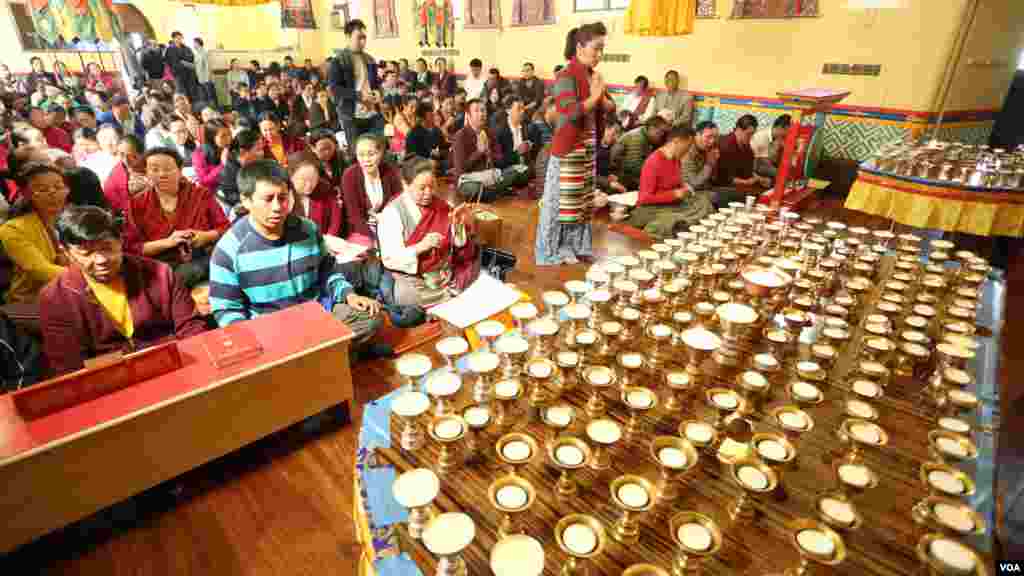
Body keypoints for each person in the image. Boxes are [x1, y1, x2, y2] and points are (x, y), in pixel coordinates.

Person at [209, 160, 384, 345]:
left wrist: (349, 295)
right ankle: (323, 354)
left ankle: (318, 354)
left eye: (282, 198)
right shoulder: (228, 250)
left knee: (370, 318)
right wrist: (250, 341)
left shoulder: (308, 229)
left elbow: (328, 271)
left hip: (317, 314)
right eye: (268, 199)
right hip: (270, 331)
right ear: (246, 201)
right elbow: (226, 309)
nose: (277, 207)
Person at [39, 206, 207, 375]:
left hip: (173, 368)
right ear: (67, 253)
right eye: (86, 253)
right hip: (106, 381)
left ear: (120, 241)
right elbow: (70, 368)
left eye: (107, 248)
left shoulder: (161, 274)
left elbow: (192, 330)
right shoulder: (56, 298)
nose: (101, 259)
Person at [535, 23, 615, 266]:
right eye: (596, 48)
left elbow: (609, 107)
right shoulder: (565, 76)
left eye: (603, 49)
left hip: (587, 148)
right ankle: (549, 251)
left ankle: (574, 246)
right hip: (568, 150)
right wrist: (595, 96)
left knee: (580, 202)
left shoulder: (593, 76)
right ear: (580, 47)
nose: (600, 55)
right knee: (557, 203)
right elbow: (569, 112)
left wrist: (602, 98)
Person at [378, 157, 481, 307]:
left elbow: (456, 246)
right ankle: (454, 295)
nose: (428, 193)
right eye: (422, 188)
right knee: (406, 296)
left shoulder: (441, 205)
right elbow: (389, 258)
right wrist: (421, 246)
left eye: (432, 186)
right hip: (414, 278)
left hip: (444, 272)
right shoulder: (392, 213)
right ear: (405, 185)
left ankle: (450, 295)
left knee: (476, 255)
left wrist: (458, 226)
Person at [126, 147, 229, 287]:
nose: (162, 174)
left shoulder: (200, 195)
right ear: (146, 173)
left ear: (180, 171)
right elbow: (131, 248)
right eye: (154, 169)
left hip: (200, 261)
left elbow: (225, 228)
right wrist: (168, 242)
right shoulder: (136, 204)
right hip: (158, 267)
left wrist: (205, 236)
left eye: (168, 168)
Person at [0, 163, 69, 304]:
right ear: (26, 194)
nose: (53, 193)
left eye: (58, 187)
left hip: (69, 293)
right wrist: (87, 277)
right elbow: (41, 270)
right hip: (32, 301)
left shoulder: (69, 219)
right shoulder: (13, 229)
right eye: (42, 189)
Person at [627, 126, 713, 238]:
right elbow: (644, 198)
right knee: (673, 220)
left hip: (672, 205)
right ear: (676, 142)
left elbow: (677, 182)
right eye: (686, 148)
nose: (687, 152)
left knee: (704, 202)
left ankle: (686, 223)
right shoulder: (654, 161)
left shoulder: (676, 159)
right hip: (651, 209)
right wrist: (674, 194)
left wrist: (684, 186)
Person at [328, 19, 382, 149]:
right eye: (359, 38)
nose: (363, 42)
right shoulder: (339, 60)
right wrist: (360, 96)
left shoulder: (370, 59)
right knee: (357, 151)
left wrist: (378, 92)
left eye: (364, 38)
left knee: (377, 149)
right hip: (351, 115)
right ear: (348, 37)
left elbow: (375, 84)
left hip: (372, 112)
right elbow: (335, 89)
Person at [342, 134, 402, 240]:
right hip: (362, 230)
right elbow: (354, 216)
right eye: (361, 155)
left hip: (388, 224)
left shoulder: (390, 171)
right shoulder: (349, 175)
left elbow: (398, 202)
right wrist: (372, 238)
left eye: (371, 154)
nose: (366, 159)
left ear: (380, 153)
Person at [712, 114, 770, 207]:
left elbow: (748, 171)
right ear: (738, 129)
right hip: (722, 186)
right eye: (748, 134)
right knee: (750, 195)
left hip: (739, 184)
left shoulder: (746, 147)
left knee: (765, 190)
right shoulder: (725, 144)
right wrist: (745, 182)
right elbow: (723, 177)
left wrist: (759, 179)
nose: (750, 137)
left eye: (752, 134)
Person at [289, 154, 344, 239]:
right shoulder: (282, 196)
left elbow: (335, 220)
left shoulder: (324, 188)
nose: (309, 185)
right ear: (291, 176)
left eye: (313, 179)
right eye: (303, 180)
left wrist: (329, 239)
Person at [216, 128, 265, 219]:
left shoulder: (258, 164)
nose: (262, 153)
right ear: (243, 152)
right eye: (258, 149)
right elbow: (230, 196)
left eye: (262, 149)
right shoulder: (229, 172)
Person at [611, 115, 669, 191]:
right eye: (660, 132)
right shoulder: (637, 138)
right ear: (652, 128)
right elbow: (633, 166)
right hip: (620, 177)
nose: (662, 135)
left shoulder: (646, 138)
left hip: (626, 176)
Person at [104, 134, 148, 215]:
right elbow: (116, 206)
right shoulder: (115, 177)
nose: (126, 160)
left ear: (142, 154)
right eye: (122, 155)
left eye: (132, 156)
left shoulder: (155, 164)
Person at [681, 120, 721, 197]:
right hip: (689, 192)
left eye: (715, 137)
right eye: (708, 137)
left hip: (705, 189)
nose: (712, 141)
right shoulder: (688, 150)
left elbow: (713, 179)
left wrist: (715, 163)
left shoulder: (708, 149)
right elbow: (693, 183)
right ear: (697, 135)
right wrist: (709, 164)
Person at [193, 119, 232, 191]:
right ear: (211, 137)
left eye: (229, 134)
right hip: (216, 190)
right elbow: (203, 181)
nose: (229, 139)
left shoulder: (231, 146)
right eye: (223, 136)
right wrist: (223, 164)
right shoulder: (199, 154)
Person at [495, 96, 532, 169]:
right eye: (519, 109)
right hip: (508, 172)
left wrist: (529, 147)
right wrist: (517, 153)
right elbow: (498, 162)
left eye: (523, 108)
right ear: (508, 111)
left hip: (526, 170)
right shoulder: (499, 132)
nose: (522, 112)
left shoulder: (526, 126)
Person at [751, 114, 791, 178]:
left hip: (765, 164)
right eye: (788, 131)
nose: (788, 135)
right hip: (756, 167)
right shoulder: (762, 137)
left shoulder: (777, 138)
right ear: (780, 127)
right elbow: (763, 162)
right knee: (783, 174)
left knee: (785, 172)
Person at [164, 31, 197, 101]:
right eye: (177, 38)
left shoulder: (186, 48)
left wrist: (183, 61)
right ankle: (185, 106)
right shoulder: (170, 49)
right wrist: (181, 63)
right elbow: (169, 62)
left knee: (191, 90)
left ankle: (193, 104)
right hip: (178, 74)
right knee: (182, 91)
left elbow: (191, 57)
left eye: (180, 38)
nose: (179, 39)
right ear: (173, 39)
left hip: (188, 73)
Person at [193, 37, 214, 104]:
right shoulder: (196, 54)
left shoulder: (205, 52)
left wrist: (208, 78)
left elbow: (208, 66)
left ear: (198, 43)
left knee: (210, 96)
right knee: (204, 96)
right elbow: (196, 66)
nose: (193, 45)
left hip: (206, 79)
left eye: (194, 43)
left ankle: (214, 109)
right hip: (200, 79)